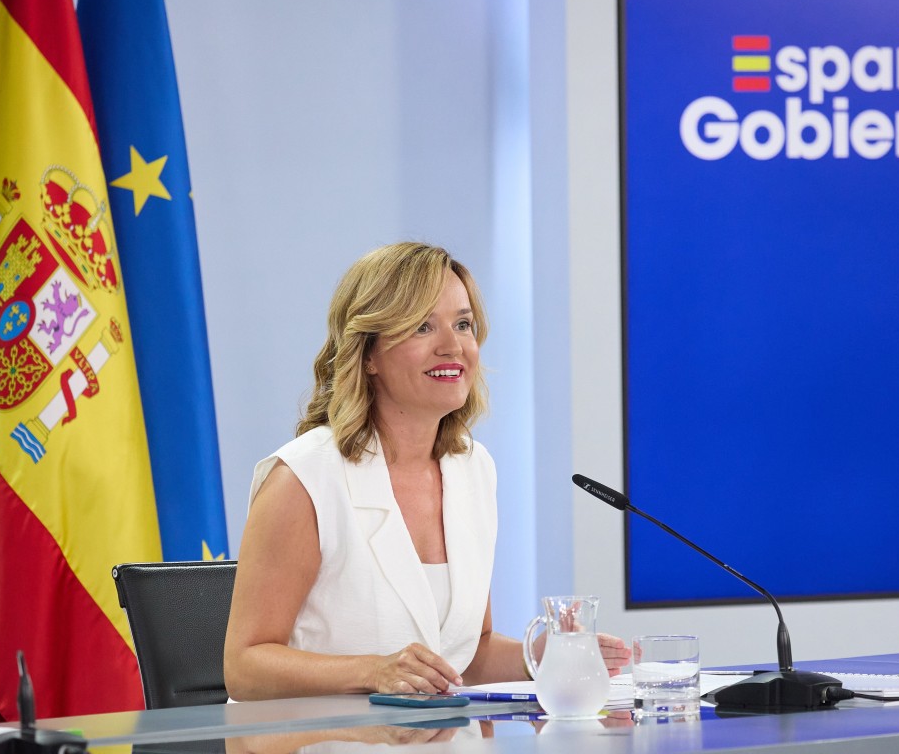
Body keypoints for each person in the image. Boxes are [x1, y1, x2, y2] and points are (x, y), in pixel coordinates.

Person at [224, 242, 630, 700]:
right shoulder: (304, 479)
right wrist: (373, 671)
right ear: (369, 354)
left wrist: (547, 656)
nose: (452, 347)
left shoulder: (473, 469)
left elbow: (466, 657)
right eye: (422, 327)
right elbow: (245, 666)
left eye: (463, 324)